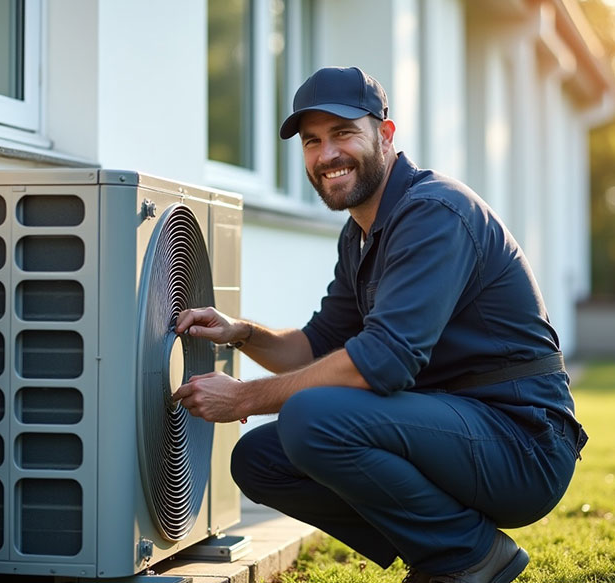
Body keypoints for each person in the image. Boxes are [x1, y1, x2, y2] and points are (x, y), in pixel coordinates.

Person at [173, 66, 587, 583]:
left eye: (343, 133)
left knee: (310, 417)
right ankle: (448, 548)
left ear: (385, 136)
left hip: (522, 444)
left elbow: (384, 362)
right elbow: (317, 347)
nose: (327, 155)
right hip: (453, 428)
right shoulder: (361, 234)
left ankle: (466, 557)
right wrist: (243, 333)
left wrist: (244, 399)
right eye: (312, 141)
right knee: (260, 459)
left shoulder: (434, 214)